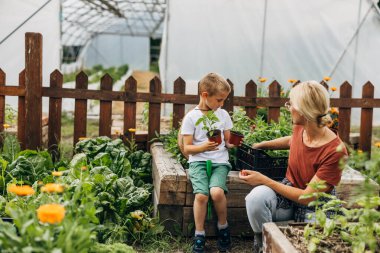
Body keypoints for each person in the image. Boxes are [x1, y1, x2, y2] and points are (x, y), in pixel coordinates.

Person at [239, 80, 348, 253]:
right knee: (255, 199)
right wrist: (263, 144)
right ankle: (262, 243)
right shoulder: (302, 126)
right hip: (288, 197)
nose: (288, 107)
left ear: (304, 111)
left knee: (310, 245)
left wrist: (265, 180)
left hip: (317, 205)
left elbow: (307, 197)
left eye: (291, 104)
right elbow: (292, 140)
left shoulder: (335, 151)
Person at [181, 73, 240, 253]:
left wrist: (233, 144)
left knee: (216, 193)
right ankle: (199, 234)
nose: (222, 104)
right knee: (201, 196)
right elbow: (187, 148)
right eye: (219, 100)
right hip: (198, 162)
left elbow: (227, 141)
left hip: (220, 163)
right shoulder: (191, 117)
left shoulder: (222, 115)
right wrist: (204, 147)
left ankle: (223, 227)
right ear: (205, 95)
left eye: (224, 100)